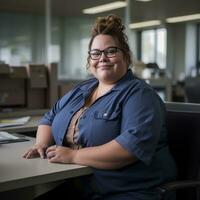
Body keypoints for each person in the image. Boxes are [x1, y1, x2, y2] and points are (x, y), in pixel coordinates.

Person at [23, 14, 176, 200]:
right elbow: (50, 118)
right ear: (90, 60)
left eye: (111, 51)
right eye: (96, 53)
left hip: (128, 192)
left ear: (126, 57)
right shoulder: (82, 89)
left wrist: (73, 156)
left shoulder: (140, 95)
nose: (102, 58)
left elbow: (128, 150)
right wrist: (41, 143)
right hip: (83, 188)